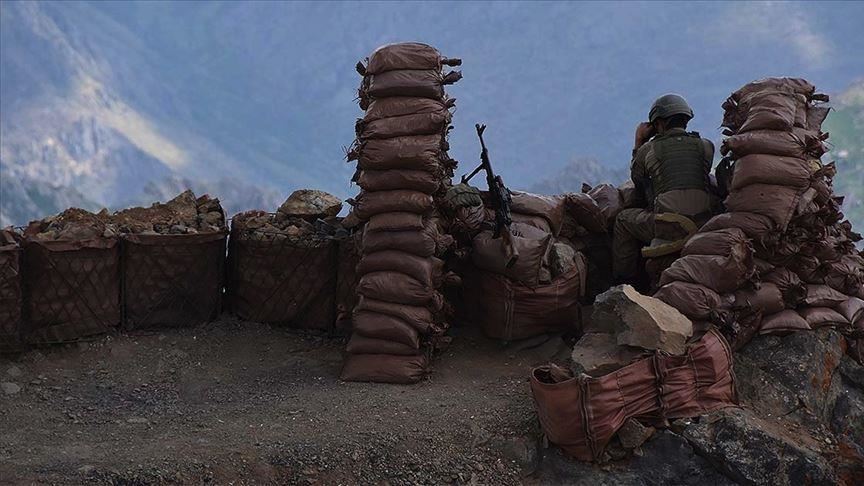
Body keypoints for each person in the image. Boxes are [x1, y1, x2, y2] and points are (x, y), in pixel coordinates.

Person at [612, 93, 715, 284]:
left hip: (669, 225)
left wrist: (639, 141)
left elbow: (637, 179)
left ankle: (625, 282)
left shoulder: (647, 150)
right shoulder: (706, 146)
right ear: (686, 119)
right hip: (704, 222)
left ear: (658, 123)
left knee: (623, 220)